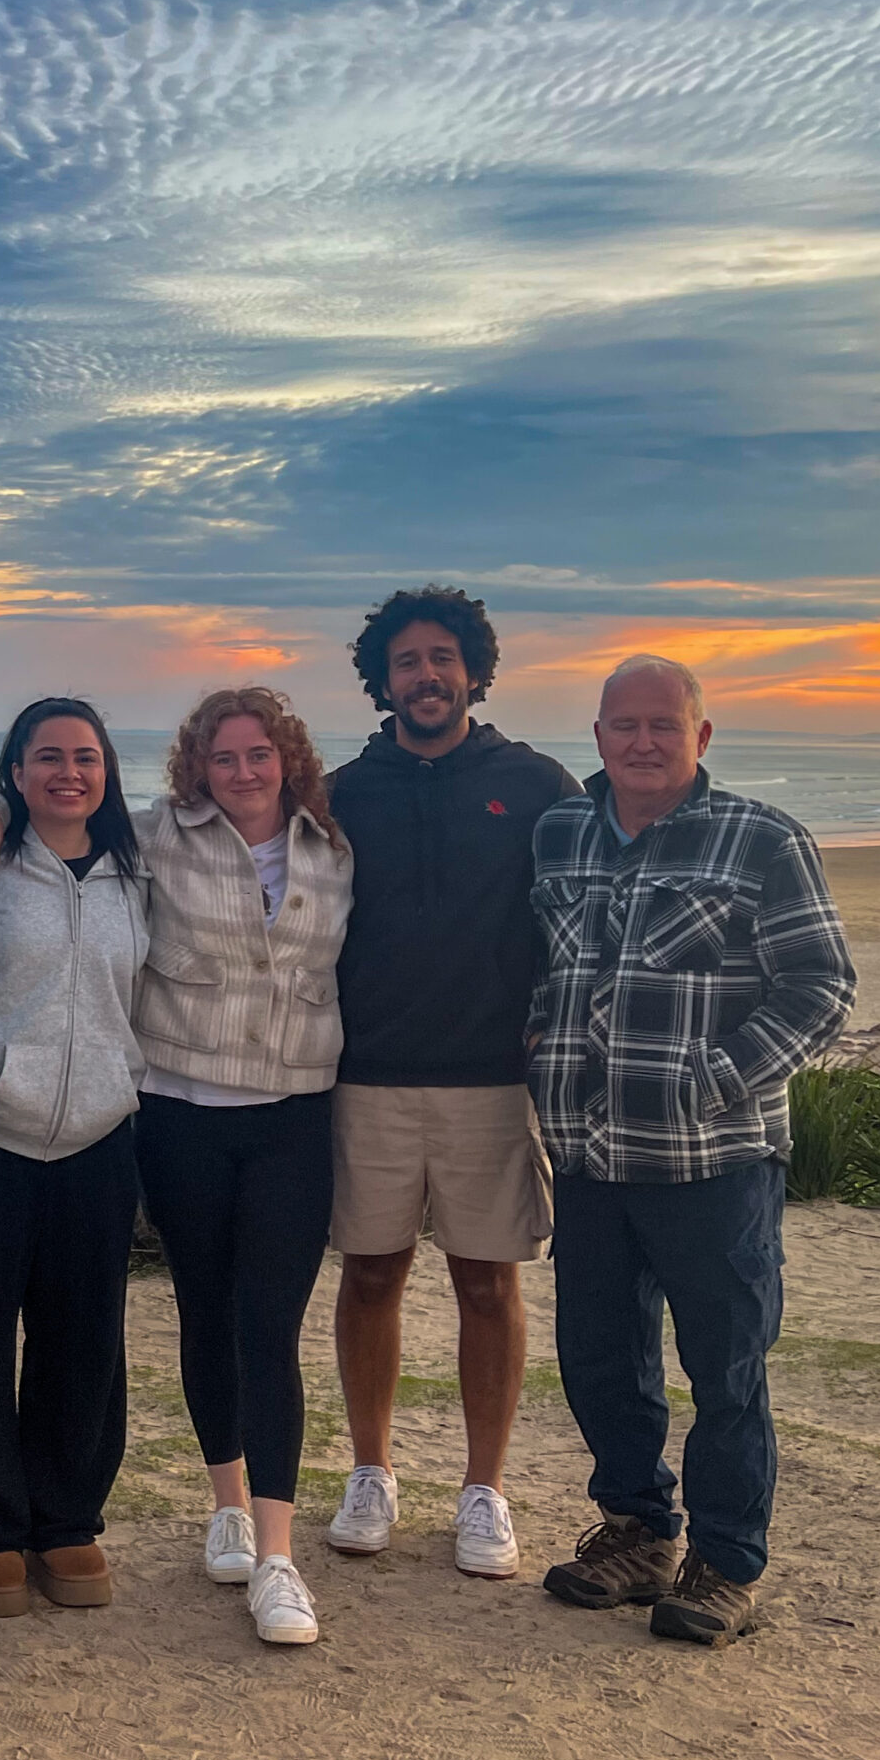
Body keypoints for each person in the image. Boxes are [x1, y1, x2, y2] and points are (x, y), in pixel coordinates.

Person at [530, 655, 855, 1647]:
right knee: (598, 1358)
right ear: (596, 738)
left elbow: (820, 987)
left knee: (724, 1369)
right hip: (587, 1159)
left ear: (700, 737)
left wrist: (713, 1078)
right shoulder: (558, 835)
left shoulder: (761, 839)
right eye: (622, 726)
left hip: (713, 1161)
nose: (641, 742)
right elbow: (543, 967)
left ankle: (726, 1559)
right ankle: (635, 1532)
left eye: (661, 726)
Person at [321, 589, 581, 1580]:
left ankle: (484, 1491)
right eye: (405, 663)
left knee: (486, 1281)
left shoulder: (535, 783)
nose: (424, 677)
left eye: (441, 659)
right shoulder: (341, 791)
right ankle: (371, 1471)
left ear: (473, 670)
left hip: (489, 1080)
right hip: (365, 1077)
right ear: (380, 681)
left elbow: (586, 902)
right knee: (371, 1273)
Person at [119, 686, 353, 1646]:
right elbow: (60, 818)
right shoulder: (155, 838)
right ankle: (224, 1500)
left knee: (273, 1327)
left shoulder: (332, 851)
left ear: (288, 758)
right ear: (197, 767)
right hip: (181, 1111)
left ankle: (279, 1556)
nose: (246, 772)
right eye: (225, 758)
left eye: (261, 754)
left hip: (296, 1115)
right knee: (205, 1310)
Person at [0, 697, 150, 1619]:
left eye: (87, 757)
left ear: (107, 773)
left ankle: (67, 1518)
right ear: (14, 772)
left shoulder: (139, 877)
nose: (69, 771)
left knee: (87, 1337)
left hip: (102, 1133)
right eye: (48, 756)